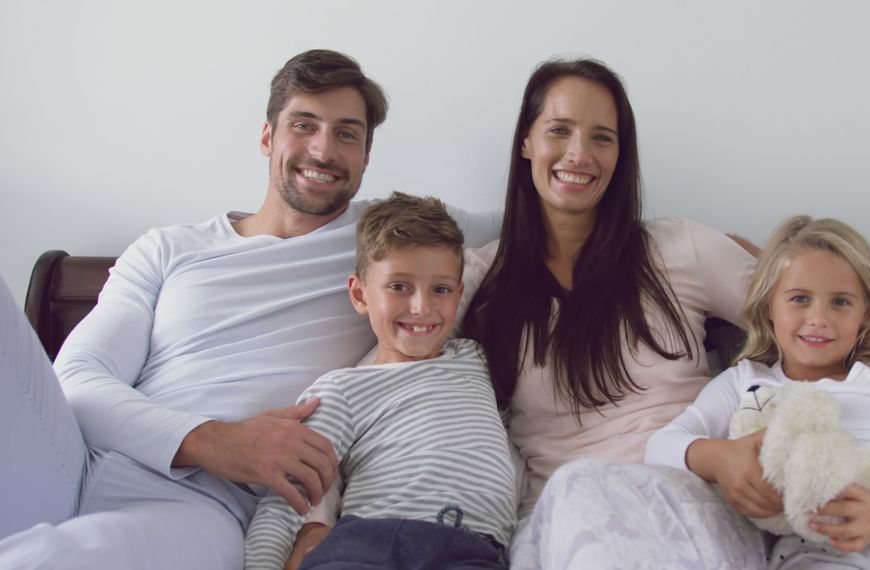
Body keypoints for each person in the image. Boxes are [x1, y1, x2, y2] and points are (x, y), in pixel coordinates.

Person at [459, 58, 870, 569]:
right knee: (579, 489)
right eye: (559, 130)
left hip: (692, 500)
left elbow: (816, 319)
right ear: (526, 142)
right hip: (557, 515)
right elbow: (389, 336)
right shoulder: (476, 277)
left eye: (602, 137)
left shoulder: (680, 248)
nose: (579, 153)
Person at [0, 50, 500, 570]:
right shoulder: (168, 247)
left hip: (200, 505)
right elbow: (77, 380)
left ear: (366, 158)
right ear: (268, 137)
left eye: (347, 134)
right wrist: (213, 439)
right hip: (71, 456)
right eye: (304, 125)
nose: (323, 149)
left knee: (62, 559)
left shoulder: (389, 241)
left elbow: (539, 215)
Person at [645, 215, 870, 569]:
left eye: (840, 302)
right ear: (768, 306)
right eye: (799, 299)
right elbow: (659, 447)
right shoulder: (743, 382)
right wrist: (719, 457)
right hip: (820, 551)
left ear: (865, 313)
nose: (818, 318)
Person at [243, 192, 517, 570]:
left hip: (472, 547)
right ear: (360, 294)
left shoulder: (477, 360)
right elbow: (287, 496)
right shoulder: (341, 391)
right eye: (399, 286)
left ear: (459, 294)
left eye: (440, 290)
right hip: (371, 540)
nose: (421, 306)